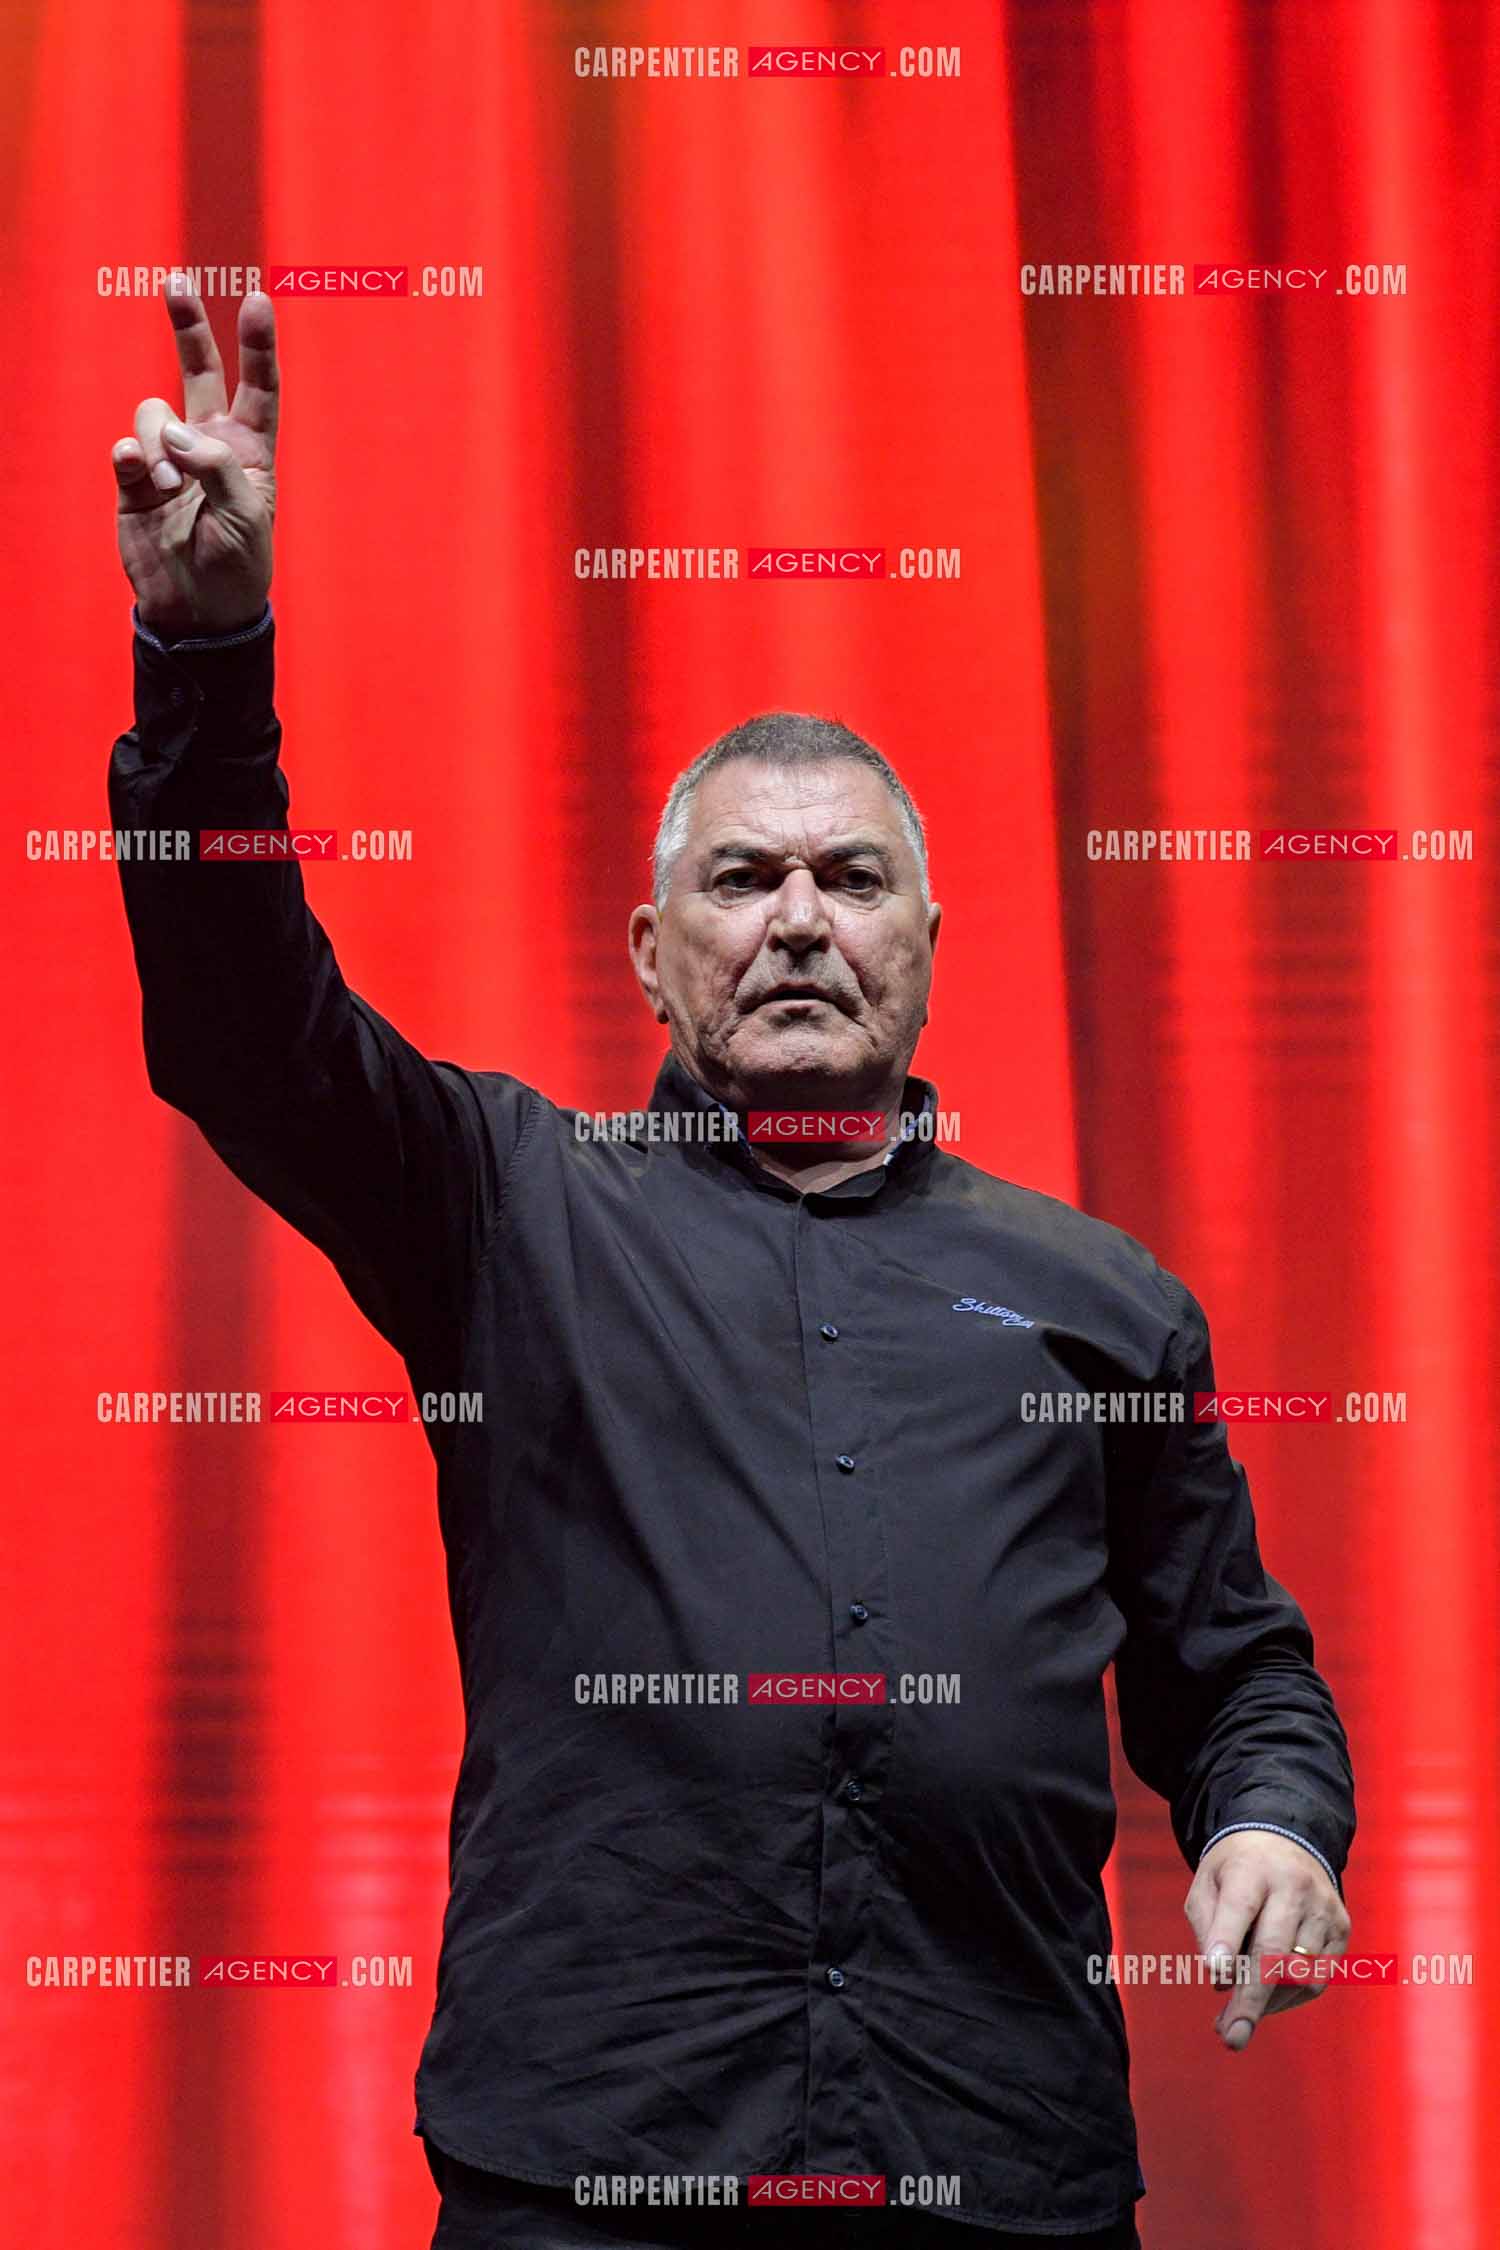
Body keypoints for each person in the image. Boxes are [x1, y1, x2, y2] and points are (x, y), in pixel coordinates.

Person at [108, 282, 1355, 2250]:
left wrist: (1275, 1820)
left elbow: (1235, 1662)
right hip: (594, 2166)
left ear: (929, 937)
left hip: (994, 2161)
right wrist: (207, 655)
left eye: (847, 881)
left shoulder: (1101, 1299)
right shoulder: (508, 1203)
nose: (795, 923)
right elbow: (240, 1029)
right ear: (650, 949)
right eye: (739, 881)